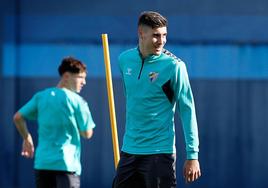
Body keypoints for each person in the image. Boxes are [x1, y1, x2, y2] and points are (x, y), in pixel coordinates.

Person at [113, 11, 201, 188]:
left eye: (164, 35)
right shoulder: (124, 60)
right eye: (156, 35)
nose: (161, 41)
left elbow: (187, 110)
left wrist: (193, 155)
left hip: (159, 153)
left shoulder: (174, 66)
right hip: (129, 151)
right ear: (141, 33)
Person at [13, 56, 96, 188]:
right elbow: (87, 133)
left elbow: (18, 117)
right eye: (81, 78)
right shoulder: (78, 101)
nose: (84, 82)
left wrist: (27, 137)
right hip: (66, 165)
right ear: (67, 76)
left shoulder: (41, 96)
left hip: (43, 164)